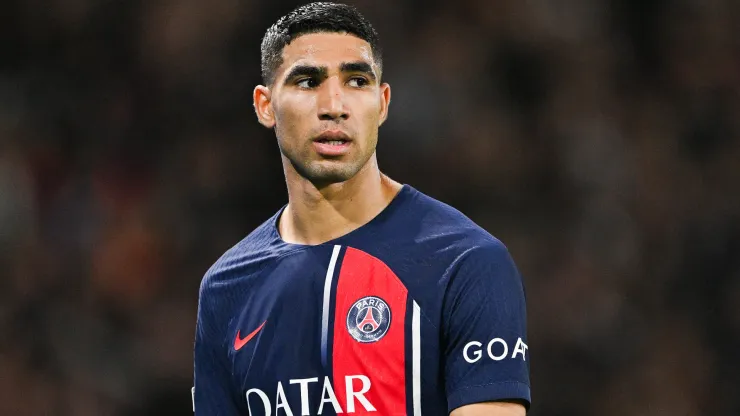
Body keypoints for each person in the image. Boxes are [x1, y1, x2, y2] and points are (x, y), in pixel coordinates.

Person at [193, 2, 531, 415]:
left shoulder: (466, 262)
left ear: (383, 102)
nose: (335, 105)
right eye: (307, 81)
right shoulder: (226, 287)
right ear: (266, 106)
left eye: (356, 80)